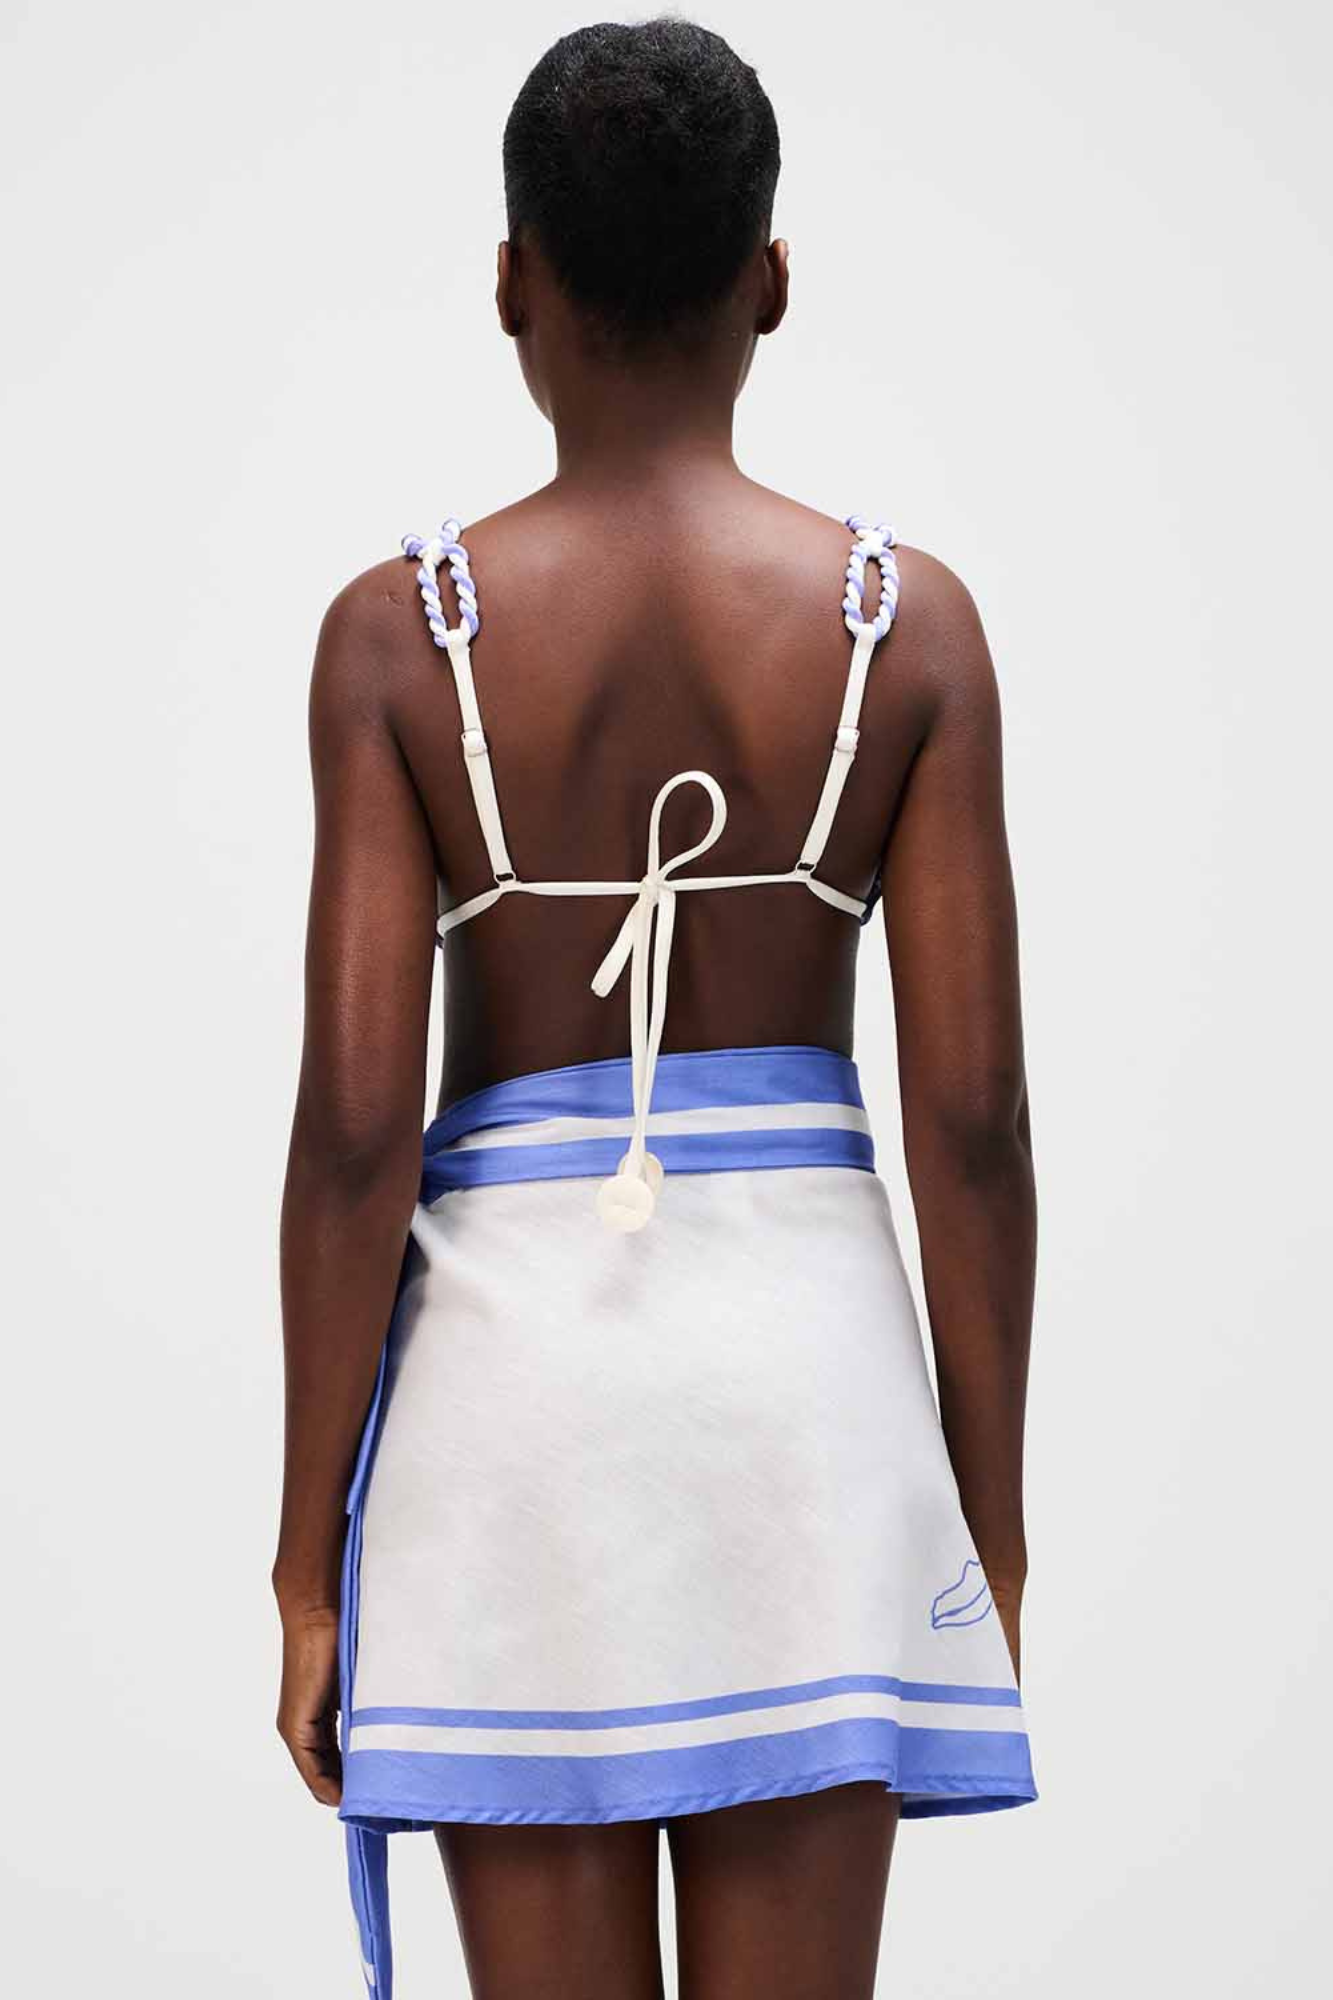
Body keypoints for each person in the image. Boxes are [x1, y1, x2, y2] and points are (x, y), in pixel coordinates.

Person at [273, 18, 1037, 1998]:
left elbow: (354, 1135)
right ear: (770, 279)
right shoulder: (907, 624)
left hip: (512, 1405)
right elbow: (969, 1130)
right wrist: (990, 1514)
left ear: (511, 283)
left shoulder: (398, 638)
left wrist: (302, 1561)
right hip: (807, 1402)